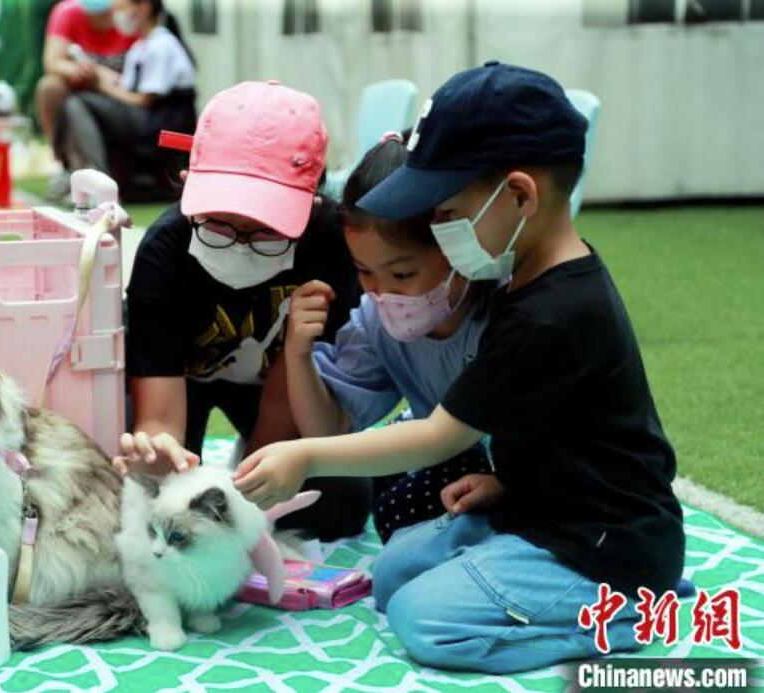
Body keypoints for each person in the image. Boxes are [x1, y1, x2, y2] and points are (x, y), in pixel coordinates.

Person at [231, 62, 684, 674]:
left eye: (446, 211)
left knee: (423, 620)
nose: (440, 231)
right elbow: (559, 435)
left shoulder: (552, 311)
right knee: (392, 575)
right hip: (535, 508)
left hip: (603, 545)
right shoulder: (525, 282)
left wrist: (305, 456)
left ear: (519, 196)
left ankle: (632, 610)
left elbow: (441, 436)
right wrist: (505, 483)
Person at [117, 80, 371, 541]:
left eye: (266, 230)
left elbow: (285, 395)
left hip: (278, 388)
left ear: (311, 201)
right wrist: (158, 451)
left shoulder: (331, 245)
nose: (240, 243)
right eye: (218, 225)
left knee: (340, 502)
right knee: (140, 492)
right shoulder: (165, 249)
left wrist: (250, 486)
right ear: (188, 184)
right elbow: (160, 415)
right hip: (179, 384)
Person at [286, 133, 494, 544]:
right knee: (361, 492)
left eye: (402, 273)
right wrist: (297, 353)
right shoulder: (375, 319)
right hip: (446, 453)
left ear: (457, 246)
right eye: (364, 271)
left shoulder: (509, 312)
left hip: (525, 466)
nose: (382, 292)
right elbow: (328, 429)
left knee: (401, 518)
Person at [54, 0, 197, 197]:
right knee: (76, 103)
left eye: (121, 9)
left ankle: (100, 183)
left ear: (144, 7)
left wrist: (99, 85)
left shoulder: (162, 44)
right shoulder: (139, 46)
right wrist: (98, 75)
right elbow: (126, 88)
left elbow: (144, 100)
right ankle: (83, 174)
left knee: (77, 103)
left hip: (159, 125)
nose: (117, 16)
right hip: (143, 120)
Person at [36, 0, 137, 154]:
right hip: (83, 88)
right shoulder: (66, 12)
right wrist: (83, 71)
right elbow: (52, 62)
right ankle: (60, 156)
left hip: (123, 94)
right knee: (49, 87)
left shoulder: (131, 12)